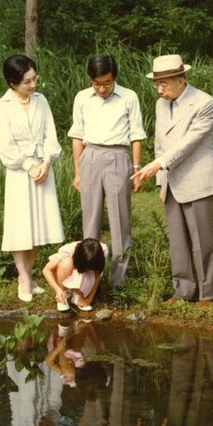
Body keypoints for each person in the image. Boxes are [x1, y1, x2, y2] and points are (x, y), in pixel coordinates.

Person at [132, 54, 213, 308]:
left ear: (181, 81)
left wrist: (158, 165)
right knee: (178, 239)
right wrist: (161, 179)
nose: (159, 89)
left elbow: (188, 144)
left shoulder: (205, 102)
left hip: (198, 177)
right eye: (156, 84)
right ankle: (183, 289)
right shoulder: (162, 104)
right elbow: (161, 144)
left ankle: (207, 294)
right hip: (171, 179)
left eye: (164, 84)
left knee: (203, 239)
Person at [68, 53, 146, 289]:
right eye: (97, 83)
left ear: (115, 78)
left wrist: (137, 169)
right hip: (90, 155)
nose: (102, 88)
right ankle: (88, 277)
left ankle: (118, 280)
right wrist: (78, 171)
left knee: (120, 220)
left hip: (117, 156)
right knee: (90, 220)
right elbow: (77, 136)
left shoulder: (128, 97)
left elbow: (136, 135)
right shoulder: (82, 98)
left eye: (107, 83)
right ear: (90, 79)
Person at [0, 54, 64, 303]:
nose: (33, 85)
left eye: (34, 79)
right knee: (20, 225)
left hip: (43, 169)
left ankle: (29, 275)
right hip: (19, 172)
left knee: (40, 224)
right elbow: (5, 146)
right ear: (13, 83)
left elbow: (50, 135)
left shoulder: (41, 101)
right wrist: (28, 166)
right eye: (27, 82)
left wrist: (45, 163)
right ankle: (23, 277)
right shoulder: (2, 106)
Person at [42, 238, 109, 312]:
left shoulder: (102, 251)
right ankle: (63, 296)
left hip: (84, 279)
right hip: (65, 275)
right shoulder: (69, 250)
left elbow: (97, 275)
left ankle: (78, 297)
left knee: (89, 272)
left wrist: (89, 299)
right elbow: (46, 270)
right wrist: (58, 290)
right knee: (67, 263)